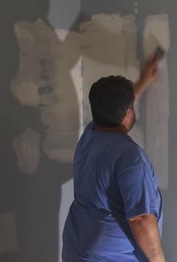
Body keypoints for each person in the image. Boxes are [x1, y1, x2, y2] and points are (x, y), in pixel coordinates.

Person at [62, 55, 165, 262]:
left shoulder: (90, 136)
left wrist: (143, 82)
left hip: (78, 250)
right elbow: (141, 218)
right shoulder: (130, 157)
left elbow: (113, 111)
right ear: (128, 113)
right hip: (112, 257)